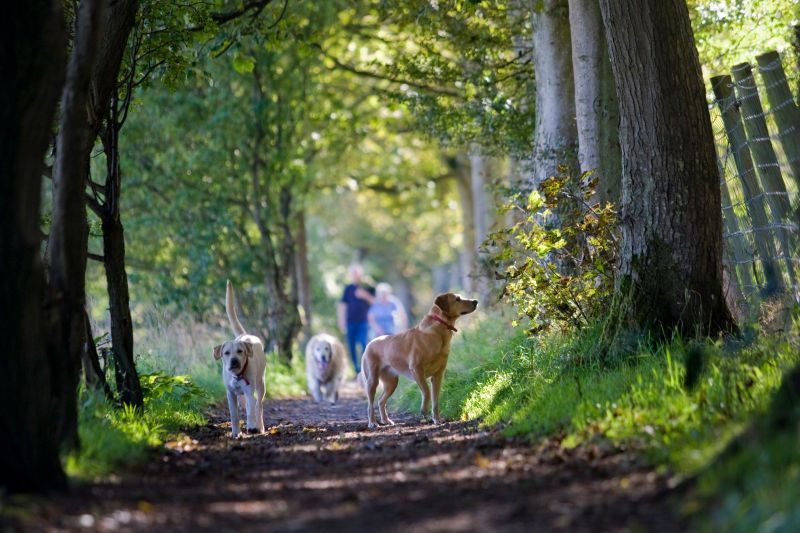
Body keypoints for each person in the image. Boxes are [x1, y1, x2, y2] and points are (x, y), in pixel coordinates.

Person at [337, 263, 374, 373]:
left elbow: (375, 302)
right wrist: (341, 321)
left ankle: (365, 368)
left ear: (361, 274)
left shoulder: (368, 286)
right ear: (350, 275)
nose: (355, 275)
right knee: (351, 345)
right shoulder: (348, 288)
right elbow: (343, 305)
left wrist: (364, 295)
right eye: (353, 273)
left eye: (357, 273)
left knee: (364, 344)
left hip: (364, 321)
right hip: (350, 321)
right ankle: (356, 369)